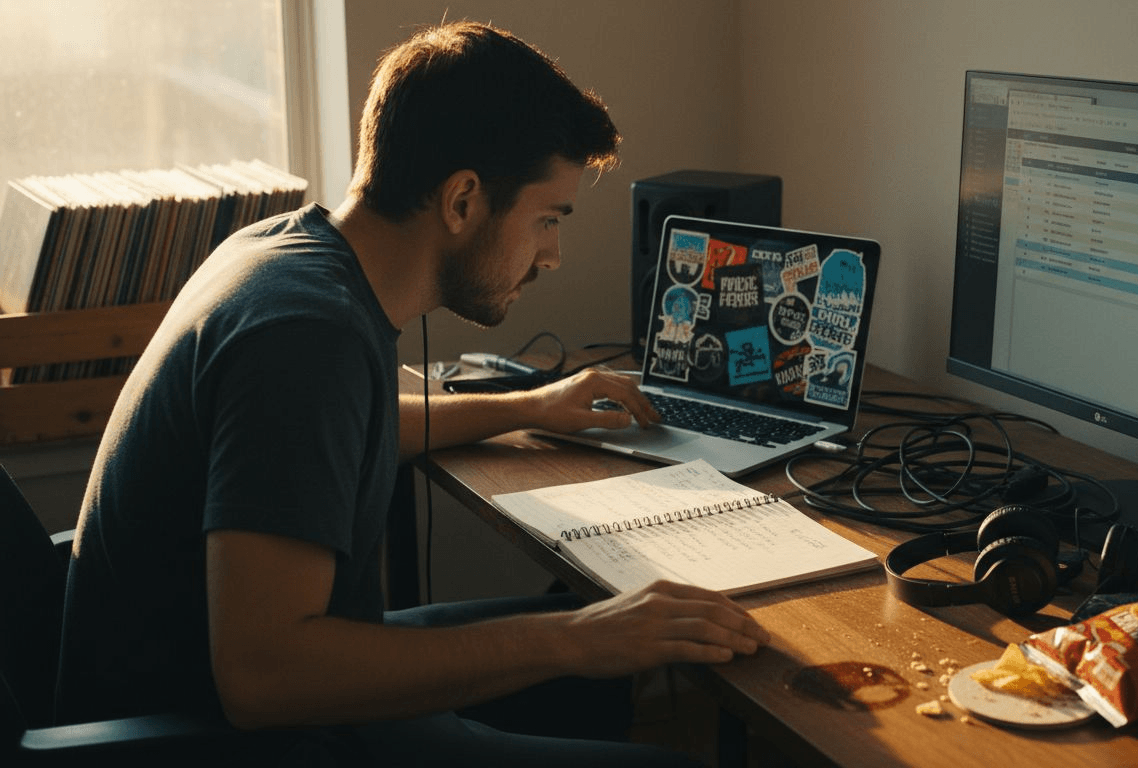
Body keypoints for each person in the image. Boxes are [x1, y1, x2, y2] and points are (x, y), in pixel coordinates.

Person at [55, 20, 769, 766]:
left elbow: (327, 440)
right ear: (463, 200)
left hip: (221, 691)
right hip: (224, 734)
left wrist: (527, 406)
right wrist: (574, 641)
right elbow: (263, 678)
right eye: (548, 219)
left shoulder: (285, 252)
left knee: (596, 651)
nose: (553, 255)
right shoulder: (307, 335)